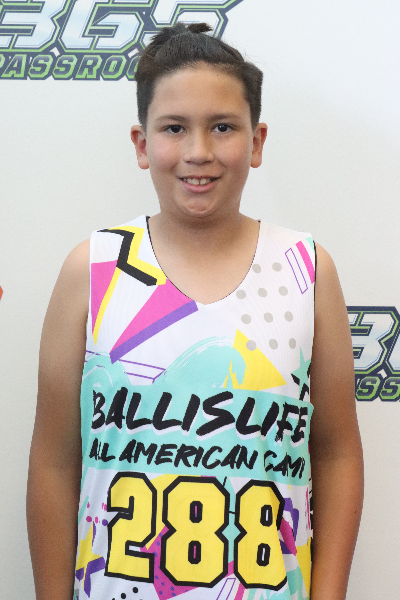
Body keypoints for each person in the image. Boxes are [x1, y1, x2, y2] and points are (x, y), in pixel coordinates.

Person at [27, 23, 363, 600]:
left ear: (256, 142)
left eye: (223, 127)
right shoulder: (94, 268)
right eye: (174, 128)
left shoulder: (307, 269)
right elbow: (55, 461)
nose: (198, 151)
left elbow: (336, 454)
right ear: (141, 144)